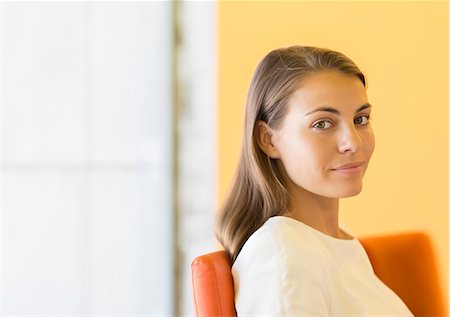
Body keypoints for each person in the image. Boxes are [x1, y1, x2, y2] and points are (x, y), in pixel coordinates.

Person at [215, 46, 413, 316]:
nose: (352, 142)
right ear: (268, 140)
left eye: (360, 119)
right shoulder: (284, 258)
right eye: (322, 124)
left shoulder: (334, 242)